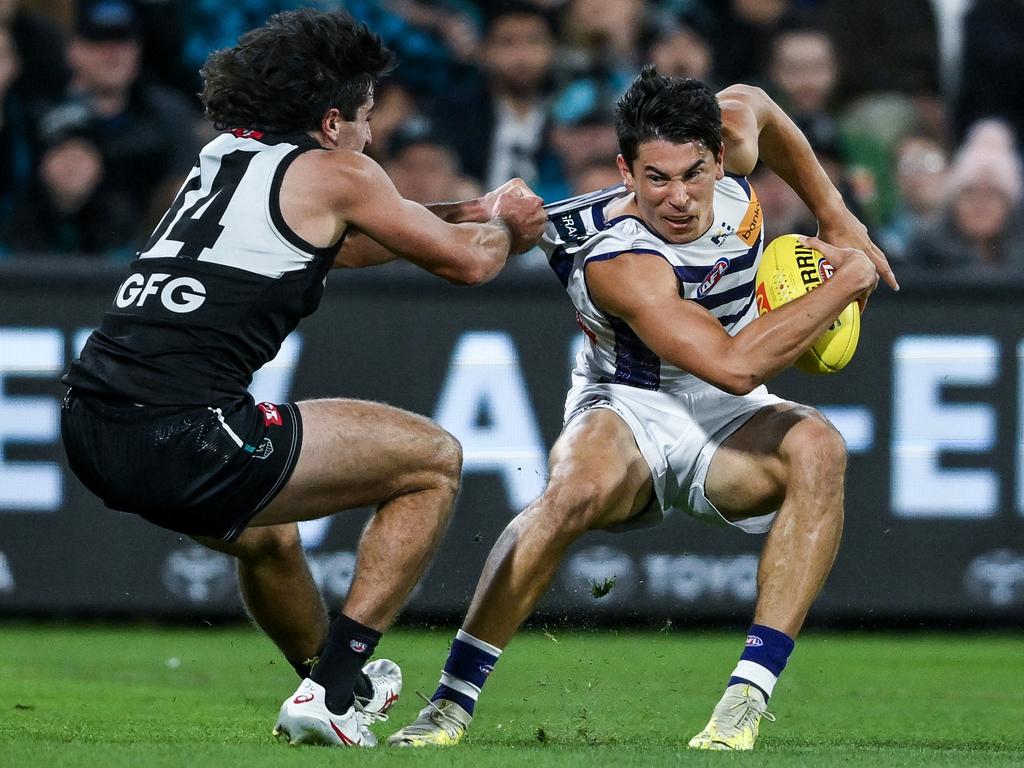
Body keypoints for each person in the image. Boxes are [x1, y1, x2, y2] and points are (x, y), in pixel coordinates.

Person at [59, 8, 544, 749]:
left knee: (272, 540)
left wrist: (463, 213)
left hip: (90, 425)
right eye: (366, 118)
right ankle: (338, 687)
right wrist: (506, 222)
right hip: (183, 431)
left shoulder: (224, 157)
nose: (372, 137)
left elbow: (343, 245)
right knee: (432, 461)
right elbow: (471, 263)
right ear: (329, 122)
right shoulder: (339, 171)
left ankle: (327, 686)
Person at [389, 67, 896, 751]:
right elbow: (738, 365)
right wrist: (852, 277)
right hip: (626, 401)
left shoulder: (733, 135)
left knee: (820, 447)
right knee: (571, 493)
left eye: (693, 174)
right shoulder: (615, 254)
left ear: (720, 157)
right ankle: (450, 704)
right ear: (624, 169)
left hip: (724, 412)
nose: (679, 198)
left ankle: (743, 702)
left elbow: (762, 106)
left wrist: (837, 216)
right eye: (655, 178)